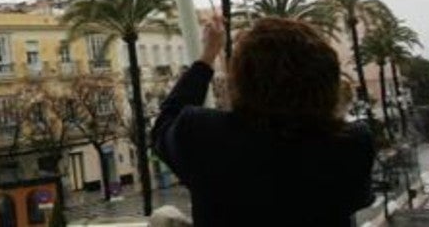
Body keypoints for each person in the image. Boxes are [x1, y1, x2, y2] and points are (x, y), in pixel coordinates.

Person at [151, 16, 375, 226]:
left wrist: (208, 55)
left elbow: (166, 122)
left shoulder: (205, 134)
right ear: (328, 82)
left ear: (241, 80)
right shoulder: (353, 144)